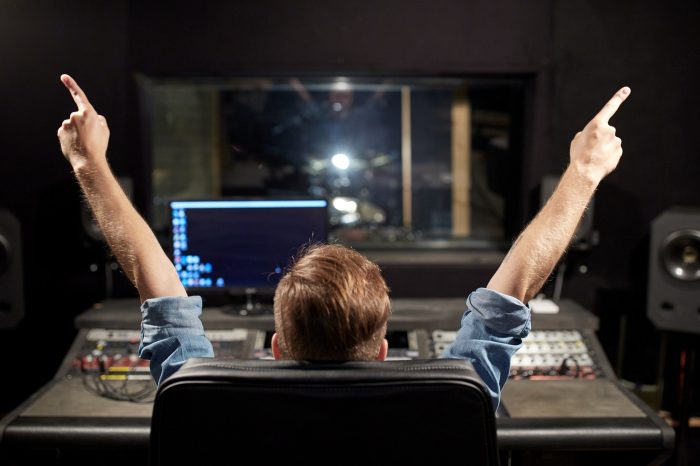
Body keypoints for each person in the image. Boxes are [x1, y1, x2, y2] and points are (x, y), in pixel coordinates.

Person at [57, 74, 630, 409]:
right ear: (384, 351)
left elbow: (153, 280)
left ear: (275, 348)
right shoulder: (458, 394)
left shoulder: (201, 393)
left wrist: (90, 166)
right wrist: (583, 174)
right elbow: (517, 286)